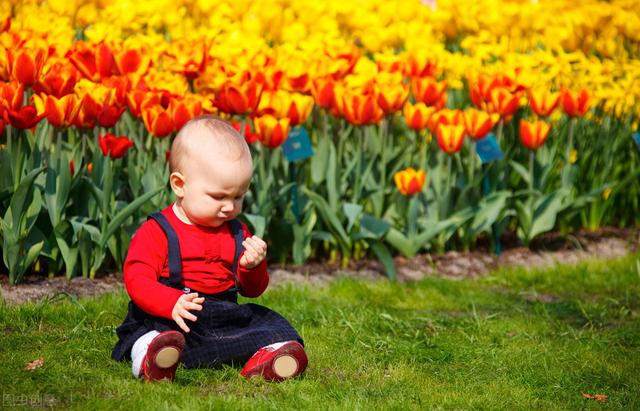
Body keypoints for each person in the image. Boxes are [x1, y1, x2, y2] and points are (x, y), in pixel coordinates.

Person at [111, 116, 307, 382]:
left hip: (221, 315)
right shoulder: (158, 231)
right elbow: (137, 279)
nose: (229, 207)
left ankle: (270, 355)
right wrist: (170, 303)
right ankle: (153, 356)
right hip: (173, 314)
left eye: (238, 196)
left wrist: (253, 266)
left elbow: (252, 290)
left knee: (269, 324)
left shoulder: (236, 231)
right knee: (150, 332)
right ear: (180, 185)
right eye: (218, 197)